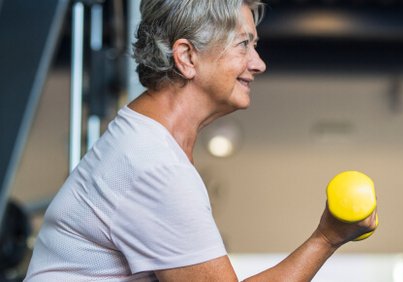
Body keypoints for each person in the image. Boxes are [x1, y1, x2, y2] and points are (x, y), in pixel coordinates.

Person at [24, 0, 378, 281]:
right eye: (244, 45)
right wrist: (326, 237)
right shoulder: (153, 166)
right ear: (187, 57)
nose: (259, 63)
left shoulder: (145, 142)